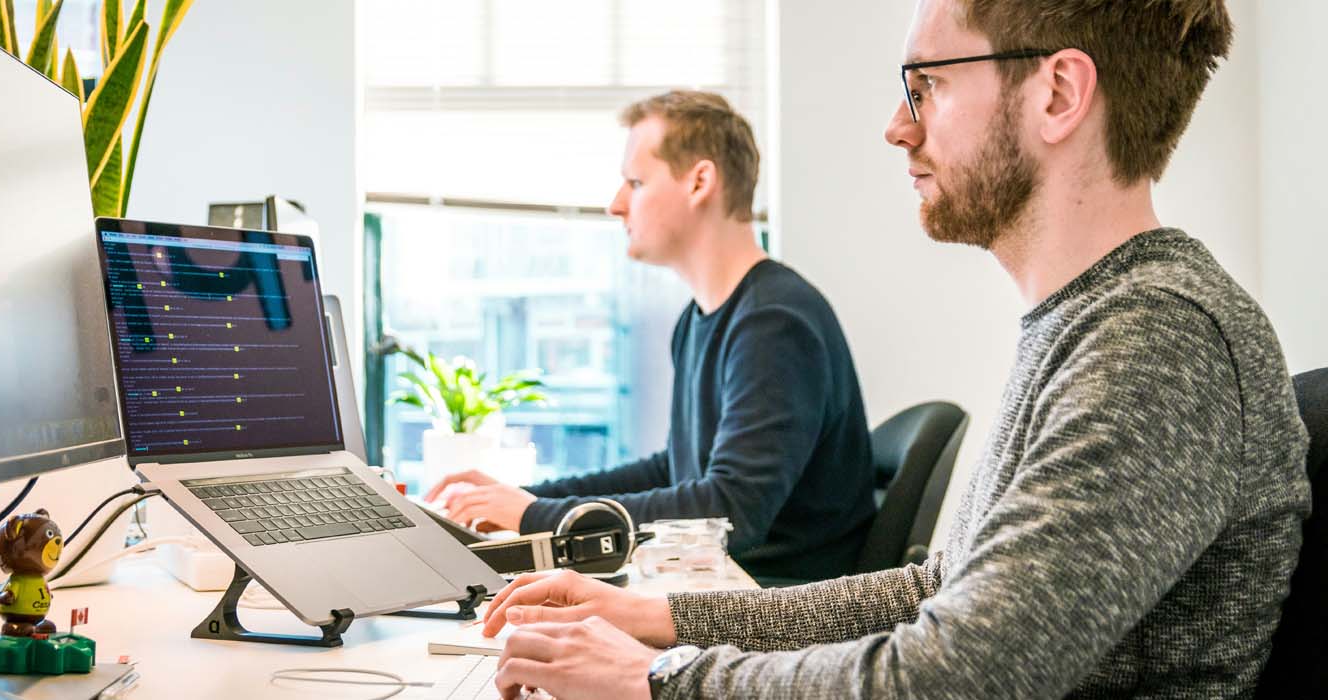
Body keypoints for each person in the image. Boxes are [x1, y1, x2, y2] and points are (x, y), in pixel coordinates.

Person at [476, 1, 1314, 698]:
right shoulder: (1089, 322)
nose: (895, 127)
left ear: (1057, 92)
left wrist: (664, 679)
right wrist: (660, 620)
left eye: (927, 87)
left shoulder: (1156, 341)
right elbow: (936, 591)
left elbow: (957, 677)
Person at [427, 91, 876, 583]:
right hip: (723, 586)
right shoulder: (702, 319)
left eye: (636, 182)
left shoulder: (775, 323)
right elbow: (676, 470)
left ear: (700, 182)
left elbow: (730, 512)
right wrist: (531, 499)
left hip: (774, 605)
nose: (616, 205)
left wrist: (536, 518)